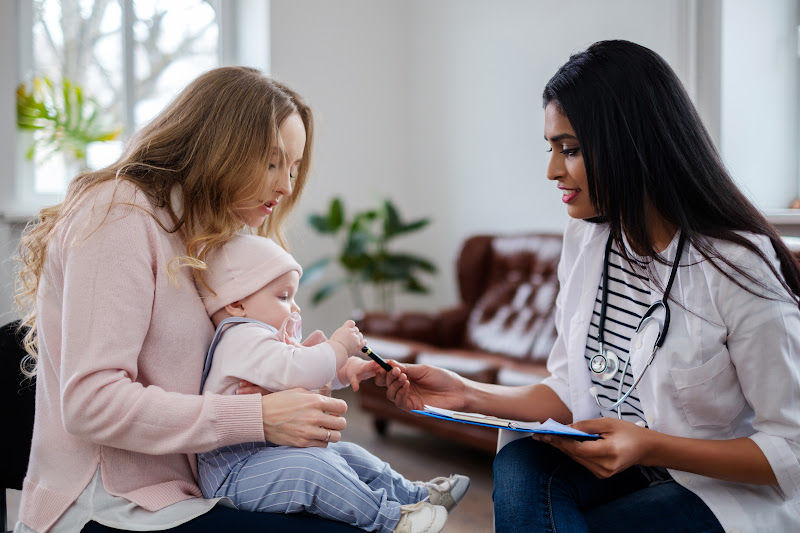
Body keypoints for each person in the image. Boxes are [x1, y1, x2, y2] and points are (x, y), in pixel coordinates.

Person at [376, 40, 800, 532]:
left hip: (721, 491)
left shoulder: (736, 266)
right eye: (552, 149)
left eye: (570, 150)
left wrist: (650, 445)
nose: (552, 170)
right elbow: (566, 389)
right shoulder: (588, 237)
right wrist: (466, 393)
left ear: (630, 143)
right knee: (520, 462)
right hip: (627, 468)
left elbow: (790, 448)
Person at [13, 66, 369, 532]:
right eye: (271, 162)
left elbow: (207, 377)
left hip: (193, 489)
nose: (285, 187)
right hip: (110, 505)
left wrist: (305, 376)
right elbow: (91, 404)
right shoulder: (120, 214)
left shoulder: (205, 238)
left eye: (294, 167)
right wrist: (258, 417)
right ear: (221, 149)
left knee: (360, 505)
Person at [195, 234, 470, 533]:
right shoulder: (241, 338)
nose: (295, 308)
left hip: (265, 455)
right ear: (237, 303)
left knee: (348, 455)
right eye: (284, 297)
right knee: (313, 469)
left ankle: (414, 495)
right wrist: (339, 346)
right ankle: (390, 520)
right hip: (234, 473)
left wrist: (349, 368)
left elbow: (303, 365)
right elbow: (296, 369)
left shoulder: (263, 339)